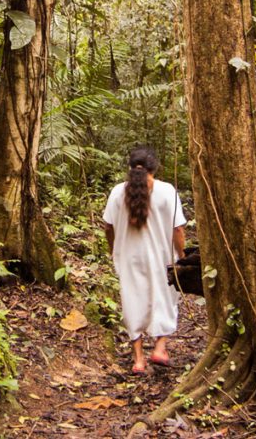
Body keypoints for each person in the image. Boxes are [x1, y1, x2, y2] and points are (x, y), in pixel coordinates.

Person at [102, 146, 186, 374]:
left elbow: (108, 226)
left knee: (132, 299)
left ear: (130, 168)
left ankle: (138, 359)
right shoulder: (167, 191)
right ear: (154, 168)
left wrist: (114, 250)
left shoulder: (118, 192)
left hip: (128, 257)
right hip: (162, 256)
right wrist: (183, 256)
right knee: (164, 297)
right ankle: (159, 348)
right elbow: (178, 229)